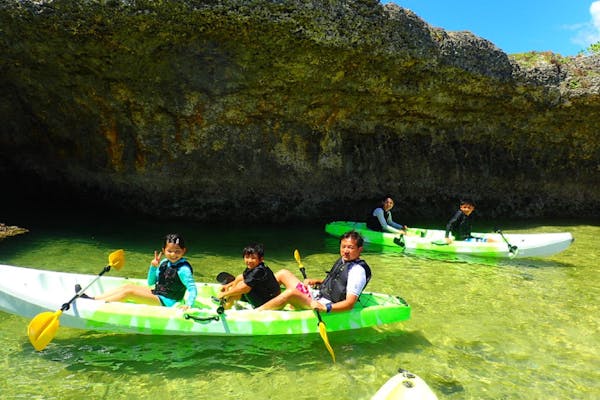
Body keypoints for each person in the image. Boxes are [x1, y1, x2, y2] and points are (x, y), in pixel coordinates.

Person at [256, 231, 371, 313]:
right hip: (316, 295)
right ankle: (257, 294)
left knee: (291, 293)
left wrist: (326, 308)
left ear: (359, 249)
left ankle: (256, 313)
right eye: (343, 246)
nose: (345, 251)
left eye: (350, 247)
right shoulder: (344, 260)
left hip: (322, 304)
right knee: (283, 273)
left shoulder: (357, 271)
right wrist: (317, 281)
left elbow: (350, 304)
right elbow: (337, 283)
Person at [87, 233, 197, 310]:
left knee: (129, 293)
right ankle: (93, 299)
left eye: (177, 251)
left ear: (183, 251)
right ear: (164, 250)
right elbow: (151, 282)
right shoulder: (164, 262)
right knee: (127, 286)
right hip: (159, 293)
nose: (173, 254)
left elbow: (192, 289)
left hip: (169, 301)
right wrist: (153, 267)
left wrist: (189, 304)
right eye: (169, 251)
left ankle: (97, 306)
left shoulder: (183, 269)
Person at [217, 243, 281, 309]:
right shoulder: (253, 267)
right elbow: (243, 277)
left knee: (241, 286)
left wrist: (225, 294)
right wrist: (228, 285)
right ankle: (228, 302)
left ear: (261, 259)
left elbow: (245, 288)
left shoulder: (259, 270)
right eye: (247, 257)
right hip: (264, 296)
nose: (249, 261)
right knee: (240, 278)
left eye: (253, 258)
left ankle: (225, 308)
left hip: (268, 302)